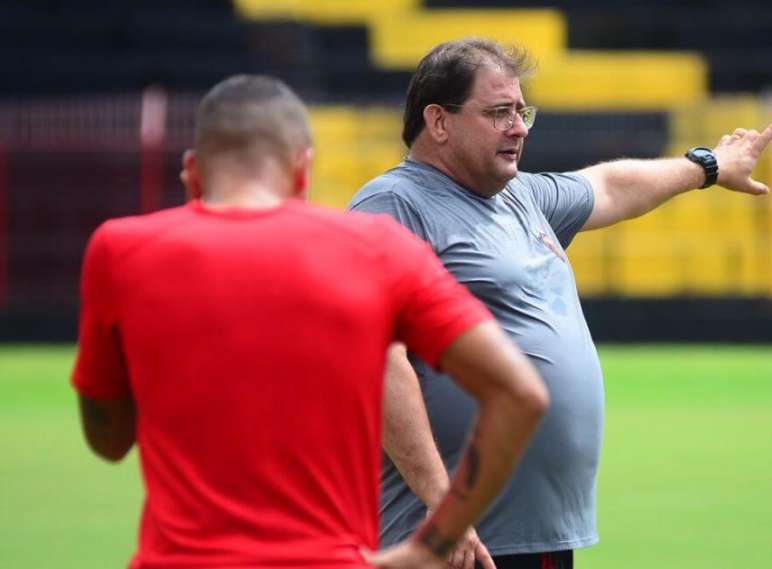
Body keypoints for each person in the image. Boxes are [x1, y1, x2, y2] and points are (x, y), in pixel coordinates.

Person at [71, 74, 549, 569]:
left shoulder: (120, 252)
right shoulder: (378, 250)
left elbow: (107, 440)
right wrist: (432, 544)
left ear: (192, 172)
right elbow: (520, 393)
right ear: (303, 170)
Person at [348, 38, 772, 569]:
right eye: (499, 113)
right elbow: (378, 360)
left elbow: (613, 186)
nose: (520, 127)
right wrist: (447, 512)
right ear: (439, 121)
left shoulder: (522, 196)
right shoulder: (393, 204)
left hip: (533, 534)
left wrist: (707, 167)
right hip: (454, 542)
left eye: (522, 111)